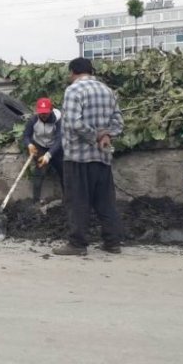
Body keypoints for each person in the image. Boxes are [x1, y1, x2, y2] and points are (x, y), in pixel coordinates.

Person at [54, 58, 125, 256]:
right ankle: (112, 243)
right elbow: (118, 122)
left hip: (77, 157)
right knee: (105, 201)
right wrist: (106, 135)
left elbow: (74, 124)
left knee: (77, 202)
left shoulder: (74, 90)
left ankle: (77, 244)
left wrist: (95, 136)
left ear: (73, 72)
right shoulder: (107, 91)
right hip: (102, 158)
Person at [23, 97, 64, 203]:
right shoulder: (33, 120)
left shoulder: (58, 120)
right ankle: (36, 202)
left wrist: (48, 155)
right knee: (39, 172)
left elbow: (60, 140)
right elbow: (26, 136)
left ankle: (68, 199)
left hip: (55, 147)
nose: (43, 115)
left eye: (46, 113)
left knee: (63, 171)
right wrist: (29, 145)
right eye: (41, 113)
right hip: (40, 146)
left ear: (51, 110)